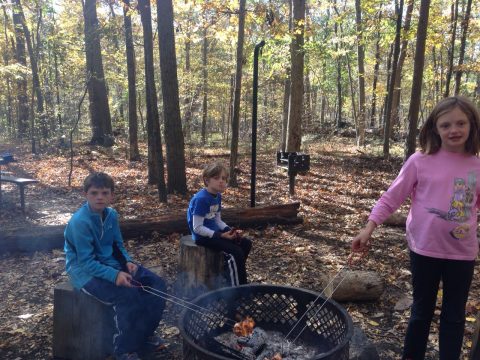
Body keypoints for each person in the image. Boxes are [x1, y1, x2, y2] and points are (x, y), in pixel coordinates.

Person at [351, 96, 480, 360]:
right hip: (424, 250)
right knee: (421, 312)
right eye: (445, 125)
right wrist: (369, 227)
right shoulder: (420, 160)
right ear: (435, 128)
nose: (453, 130)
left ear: (471, 126)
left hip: (462, 253)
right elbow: (392, 197)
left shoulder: (477, 166)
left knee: (454, 317)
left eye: (460, 123)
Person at [64, 172, 166, 360]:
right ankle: (124, 349)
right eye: (94, 193)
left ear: (112, 195)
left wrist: (126, 261)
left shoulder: (111, 215)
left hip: (112, 262)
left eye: (104, 193)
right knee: (127, 295)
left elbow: (117, 245)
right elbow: (86, 262)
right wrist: (115, 275)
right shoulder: (80, 222)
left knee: (157, 285)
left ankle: (145, 335)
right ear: (85, 194)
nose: (99, 197)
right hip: (84, 273)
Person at [187, 162, 252, 285]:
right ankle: (238, 289)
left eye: (224, 178)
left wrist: (230, 230)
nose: (221, 181)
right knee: (235, 252)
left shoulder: (217, 196)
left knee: (246, 244)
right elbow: (197, 228)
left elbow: (217, 220)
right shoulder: (201, 199)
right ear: (207, 180)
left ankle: (231, 275)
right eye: (216, 178)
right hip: (202, 237)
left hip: (215, 232)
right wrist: (221, 235)